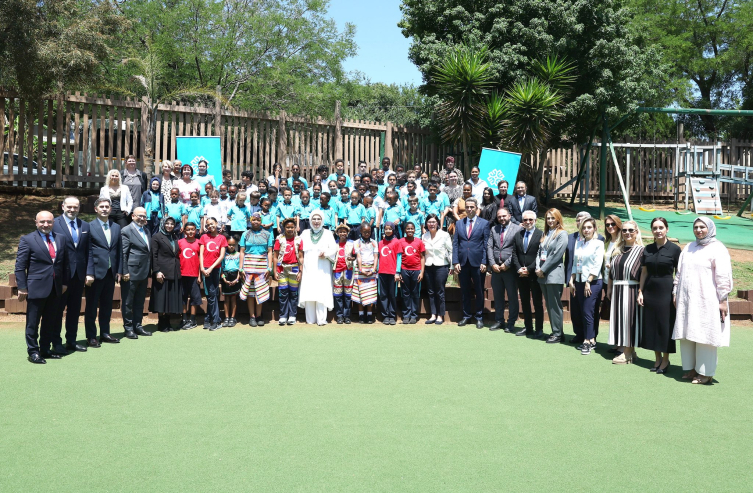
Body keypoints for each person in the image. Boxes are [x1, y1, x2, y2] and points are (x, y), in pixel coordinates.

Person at [672, 217, 733, 385]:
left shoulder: (718, 248)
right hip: (686, 300)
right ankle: (691, 368)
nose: (698, 230)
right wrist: (675, 291)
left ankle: (706, 373)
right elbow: (679, 272)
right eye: (696, 227)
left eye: (702, 227)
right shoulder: (689, 247)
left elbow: (723, 276)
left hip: (707, 300)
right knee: (688, 333)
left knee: (705, 333)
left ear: (710, 228)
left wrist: (723, 299)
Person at [15, 211, 69, 363]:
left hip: (55, 287)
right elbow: (20, 266)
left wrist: (64, 283)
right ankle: (33, 351)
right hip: (36, 288)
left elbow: (65, 264)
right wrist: (22, 287)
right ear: (36, 222)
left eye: (49, 222)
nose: (46, 224)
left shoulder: (61, 238)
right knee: (33, 323)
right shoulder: (27, 239)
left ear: (53, 223)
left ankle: (45, 349)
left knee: (50, 321)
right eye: (42, 222)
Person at [638, 217, 682, 374]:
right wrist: (640, 292)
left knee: (664, 325)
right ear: (652, 231)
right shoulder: (647, 249)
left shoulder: (675, 249)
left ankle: (665, 359)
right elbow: (644, 272)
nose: (658, 231)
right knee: (651, 325)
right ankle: (657, 358)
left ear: (667, 229)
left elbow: (679, 273)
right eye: (655, 228)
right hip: (649, 291)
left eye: (661, 227)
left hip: (666, 291)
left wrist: (676, 292)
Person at [52, 197, 90, 353]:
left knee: (74, 311)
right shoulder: (54, 224)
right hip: (61, 276)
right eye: (69, 206)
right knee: (57, 311)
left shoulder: (85, 225)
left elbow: (89, 250)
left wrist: (89, 272)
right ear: (63, 206)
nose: (72, 209)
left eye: (75, 207)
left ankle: (71, 341)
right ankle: (56, 343)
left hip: (79, 275)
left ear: (79, 208)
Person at [85, 198, 123, 347]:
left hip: (110, 272)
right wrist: (89, 272)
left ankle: (105, 333)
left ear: (111, 209)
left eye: (107, 206)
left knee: (107, 305)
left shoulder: (116, 227)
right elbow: (87, 251)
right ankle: (91, 336)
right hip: (95, 273)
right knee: (92, 306)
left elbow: (119, 250)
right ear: (96, 209)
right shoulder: (89, 227)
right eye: (102, 206)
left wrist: (119, 270)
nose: (105, 209)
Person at [564, 211, 605, 344]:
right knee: (579, 311)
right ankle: (582, 336)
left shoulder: (599, 242)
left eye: (589, 227)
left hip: (592, 282)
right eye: (584, 227)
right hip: (578, 281)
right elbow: (575, 263)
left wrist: (588, 281)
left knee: (588, 311)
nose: (586, 229)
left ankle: (590, 339)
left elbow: (597, 264)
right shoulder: (578, 242)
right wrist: (571, 279)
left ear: (594, 228)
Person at [607, 220, 644, 363]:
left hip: (631, 290)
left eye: (630, 230)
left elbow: (644, 274)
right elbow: (611, 271)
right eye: (624, 230)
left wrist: (641, 291)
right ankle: (630, 352)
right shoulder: (617, 249)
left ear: (636, 232)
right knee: (620, 321)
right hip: (617, 290)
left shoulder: (642, 251)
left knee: (630, 321)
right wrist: (609, 288)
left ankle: (627, 353)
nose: (627, 233)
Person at [452, 198, 490, 328]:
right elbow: (456, 244)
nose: (469, 209)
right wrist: (455, 261)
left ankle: (479, 317)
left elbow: (486, 244)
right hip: (462, 263)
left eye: (472, 207)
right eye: (467, 207)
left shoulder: (484, 223)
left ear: (476, 208)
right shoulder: (459, 223)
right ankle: (466, 316)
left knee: (479, 290)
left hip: (478, 263)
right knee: (465, 291)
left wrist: (484, 261)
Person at [298, 211, 337, 325]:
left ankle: (321, 319)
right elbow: (299, 248)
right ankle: (310, 319)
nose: (316, 221)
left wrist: (326, 253)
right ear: (310, 220)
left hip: (322, 267)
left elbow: (334, 248)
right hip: (308, 266)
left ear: (322, 220)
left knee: (321, 291)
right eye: (314, 219)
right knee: (309, 290)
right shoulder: (305, 233)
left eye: (318, 219)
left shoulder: (328, 233)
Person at [487, 207, 522, 332]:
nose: (501, 218)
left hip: (510, 269)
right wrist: (492, 263)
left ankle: (511, 322)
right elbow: (489, 247)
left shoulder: (518, 229)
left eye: (504, 216)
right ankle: (499, 321)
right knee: (498, 296)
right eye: (499, 216)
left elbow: (518, 249)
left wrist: (507, 263)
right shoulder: (494, 229)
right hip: (496, 269)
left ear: (509, 216)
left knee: (512, 296)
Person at [536, 208, 568, 344]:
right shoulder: (546, 233)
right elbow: (539, 252)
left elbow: (557, 254)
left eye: (552, 218)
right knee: (549, 304)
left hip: (554, 274)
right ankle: (556, 331)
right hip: (542, 275)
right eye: (548, 218)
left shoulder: (562, 234)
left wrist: (542, 269)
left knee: (555, 305)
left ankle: (558, 334)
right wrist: (538, 267)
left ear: (558, 219)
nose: (550, 220)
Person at [121, 207, 153, 339]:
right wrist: (124, 271)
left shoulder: (146, 230)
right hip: (131, 272)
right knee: (128, 302)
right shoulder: (126, 230)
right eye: (139, 215)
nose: (142, 218)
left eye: (144, 216)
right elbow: (124, 253)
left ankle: (138, 326)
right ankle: (128, 328)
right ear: (133, 216)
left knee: (140, 301)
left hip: (144, 271)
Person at [512, 211, 544, 338]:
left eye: (531, 219)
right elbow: (514, 253)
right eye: (525, 220)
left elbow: (541, 255)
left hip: (534, 274)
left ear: (535, 221)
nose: (528, 222)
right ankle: (528, 327)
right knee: (525, 302)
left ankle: (539, 329)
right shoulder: (518, 234)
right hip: (521, 275)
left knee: (537, 302)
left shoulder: (541, 234)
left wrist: (529, 269)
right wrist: (519, 269)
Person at [149, 217, 183, 332]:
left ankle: (168, 322)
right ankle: (161, 323)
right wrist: (156, 271)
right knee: (161, 298)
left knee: (170, 298)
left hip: (174, 271)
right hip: (162, 272)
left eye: (172, 224)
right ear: (163, 224)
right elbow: (154, 255)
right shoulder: (156, 237)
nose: (169, 226)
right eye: (167, 223)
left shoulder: (175, 236)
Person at [239, 213, 273, 326]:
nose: (256, 222)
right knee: (250, 292)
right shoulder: (245, 234)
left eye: (258, 220)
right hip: (248, 266)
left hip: (262, 266)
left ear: (261, 221)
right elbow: (242, 252)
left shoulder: (267, 234)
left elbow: (270, 252)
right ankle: (252, 316)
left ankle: (259, 316)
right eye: (254, 220)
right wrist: (240, 268)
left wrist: (269, 267)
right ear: (250, 221)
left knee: (260, 290)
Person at [422, 214, 452, 325]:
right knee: (431, 291)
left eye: (433, 222)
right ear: (426, 224)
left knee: (440, 291)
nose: (431, 224)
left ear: (437, 223)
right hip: (428, 266)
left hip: (441, 266)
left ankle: (440, 315)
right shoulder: (424, 236)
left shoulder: (444, 235)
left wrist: (452, 266)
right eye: (429, 222)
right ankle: (433, 314)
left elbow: (451, 250)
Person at [273, 218, 303, 325]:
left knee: (293, 293)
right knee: (283, 293)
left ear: (295, 228)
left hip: (294, 268)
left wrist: (300, 271)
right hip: (282, 268)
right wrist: (275, 271)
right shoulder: (279, 239)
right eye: (287, 227)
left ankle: (292, 315)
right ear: (284, 228)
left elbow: (301, 257)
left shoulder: (298, 239)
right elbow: (275, 256)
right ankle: (283, 316)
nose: (290, 229)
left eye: (292, 227)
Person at [199, 217, 227, 330]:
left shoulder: (222, 238)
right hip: (205, 269)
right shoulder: (204, 237)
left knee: (214, 293)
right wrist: (202, 268)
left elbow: (221, 256)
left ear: (216, 223)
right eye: (208, 225)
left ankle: (210, 318)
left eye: (212, 224)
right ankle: (216, 320)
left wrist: (210, 268)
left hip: (215, 269)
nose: (210, 226)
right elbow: (201, 254)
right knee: (210, 293)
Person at [352, 223, 379, 324]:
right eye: (364, 232)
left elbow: (376, 257)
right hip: (360, 270)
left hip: (371, 269)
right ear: (360, 231)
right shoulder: (356, 242)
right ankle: (361, 315)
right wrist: (361, 269)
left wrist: (373, 269)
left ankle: (369, 315)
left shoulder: (374, 242)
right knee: (360, 293)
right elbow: (358, 256)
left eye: (369, 232)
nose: (367, 233)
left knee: (370, 293)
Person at [399, 222, 425, 324]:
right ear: (405, 230)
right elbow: (399, 258)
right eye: (408, 228)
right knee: (405, 293)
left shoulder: (419, 242)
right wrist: (399, 272)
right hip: (404, 270)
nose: (410, 230)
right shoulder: (401, 241)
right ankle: (406, 315)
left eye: (412, 229)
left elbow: (422, 257)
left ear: (415, 230)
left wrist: (422, 272)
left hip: (416, 270)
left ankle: (414, 315)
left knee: (415, 293)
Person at [178, 222, 202, 329]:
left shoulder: (199, 243)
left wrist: (200, 275)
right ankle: (184, 318)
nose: (190, 231)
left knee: (194, 298)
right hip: (182, 274)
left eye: (192, 229)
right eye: (188, 229)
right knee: (183, 297)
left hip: (194, 275)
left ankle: (193, 319)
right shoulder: (180, 242)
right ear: (184, 231)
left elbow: (201, 260)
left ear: (196, 230)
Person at [377, 222, 402, 325]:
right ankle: (385, 316)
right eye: (386, 229)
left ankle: (392, 315)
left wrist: (397, 272)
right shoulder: (380, 243)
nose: (387, 231)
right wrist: (377, 270)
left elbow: (399, 257)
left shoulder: (397, 242)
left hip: (392, 272)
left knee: (392, 294)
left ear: (393, 230)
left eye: (389, 229)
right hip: (382, 272)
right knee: (383, 295)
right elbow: (378, 257)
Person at [601, 214, 623, 323]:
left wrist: (614, 265)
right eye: (607, 225)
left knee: (619, 313)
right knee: (611, 313)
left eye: (613, 224)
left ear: (618, 225)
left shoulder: (623, 242)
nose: (610, 226)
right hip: (606, 281)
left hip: (619, 281)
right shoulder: (606, 242)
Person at [333, 224, 355, 324]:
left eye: (344, 232)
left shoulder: (352, 243)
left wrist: (352, 258)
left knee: (348, 294)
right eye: (340, 232)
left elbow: (356, 255)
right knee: (337, 294)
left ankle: (347, 316)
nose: (342, 233)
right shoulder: (334, 243)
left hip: (348, 270)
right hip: (337, 271)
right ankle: (339, 316)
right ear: (337, 233)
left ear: (347, 233)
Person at [220, 236, 241, 327]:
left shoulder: (238, 255)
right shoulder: (223, 255)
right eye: (229, 245)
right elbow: (221, 269)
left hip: (235, 276)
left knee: (233, 298)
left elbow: (240, 269)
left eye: (233, 245)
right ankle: (226, 317)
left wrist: (237, 279)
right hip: (226, 276)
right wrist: (224, 279)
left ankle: (232, 317)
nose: (231, 246)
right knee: (226, 299)